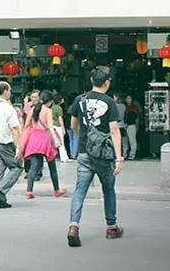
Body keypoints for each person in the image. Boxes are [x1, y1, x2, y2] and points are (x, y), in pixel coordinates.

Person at [67, 66, 124, 247]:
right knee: (108, 189)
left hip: (84, 153)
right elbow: (114, 130)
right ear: (107, 83)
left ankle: (73, 226)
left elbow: (73, 125)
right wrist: (119, 157)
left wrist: (83, 137)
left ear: (92, 80)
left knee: (80, 190)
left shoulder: (79, 99)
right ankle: (111, 226)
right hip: (104, 155)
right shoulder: (110, 102)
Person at [23, 90, 68, 199]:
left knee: (34, 166)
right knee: (52, 166)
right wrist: (56, 141)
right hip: (45, 140)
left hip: (34, 139)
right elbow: (50, 127)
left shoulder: (33, 109)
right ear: (50, 102)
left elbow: (27, 124)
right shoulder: (48, 111)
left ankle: (29, 191)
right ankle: (57, 190)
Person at [0, 81, 23, 209]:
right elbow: (14, 129)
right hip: (6, 143)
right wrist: (18, 147)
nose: (10, 93)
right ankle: (0, 190)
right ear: (5, 91)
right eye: (10, 90)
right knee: (17, 167)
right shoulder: (8, 108)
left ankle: (0, 201)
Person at [50, 94, 70, 162]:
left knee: (53, 142)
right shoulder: (59, 108)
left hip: (52, 126)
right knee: (61, 142)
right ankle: (64, 157)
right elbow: (60, 118)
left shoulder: (51, 108)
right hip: (58, 126)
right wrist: (63, 128)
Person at [124, 95, 140, 160]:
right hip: (125, 125)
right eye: (127, 98)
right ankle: (125, 154)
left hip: (131, 125)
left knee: (132, 141)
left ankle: (132, 155)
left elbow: (136, 117)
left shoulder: (134, 107)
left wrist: (137, 125)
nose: (128, 100)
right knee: (125, 142)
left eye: (129, 98)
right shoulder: (124, 107)